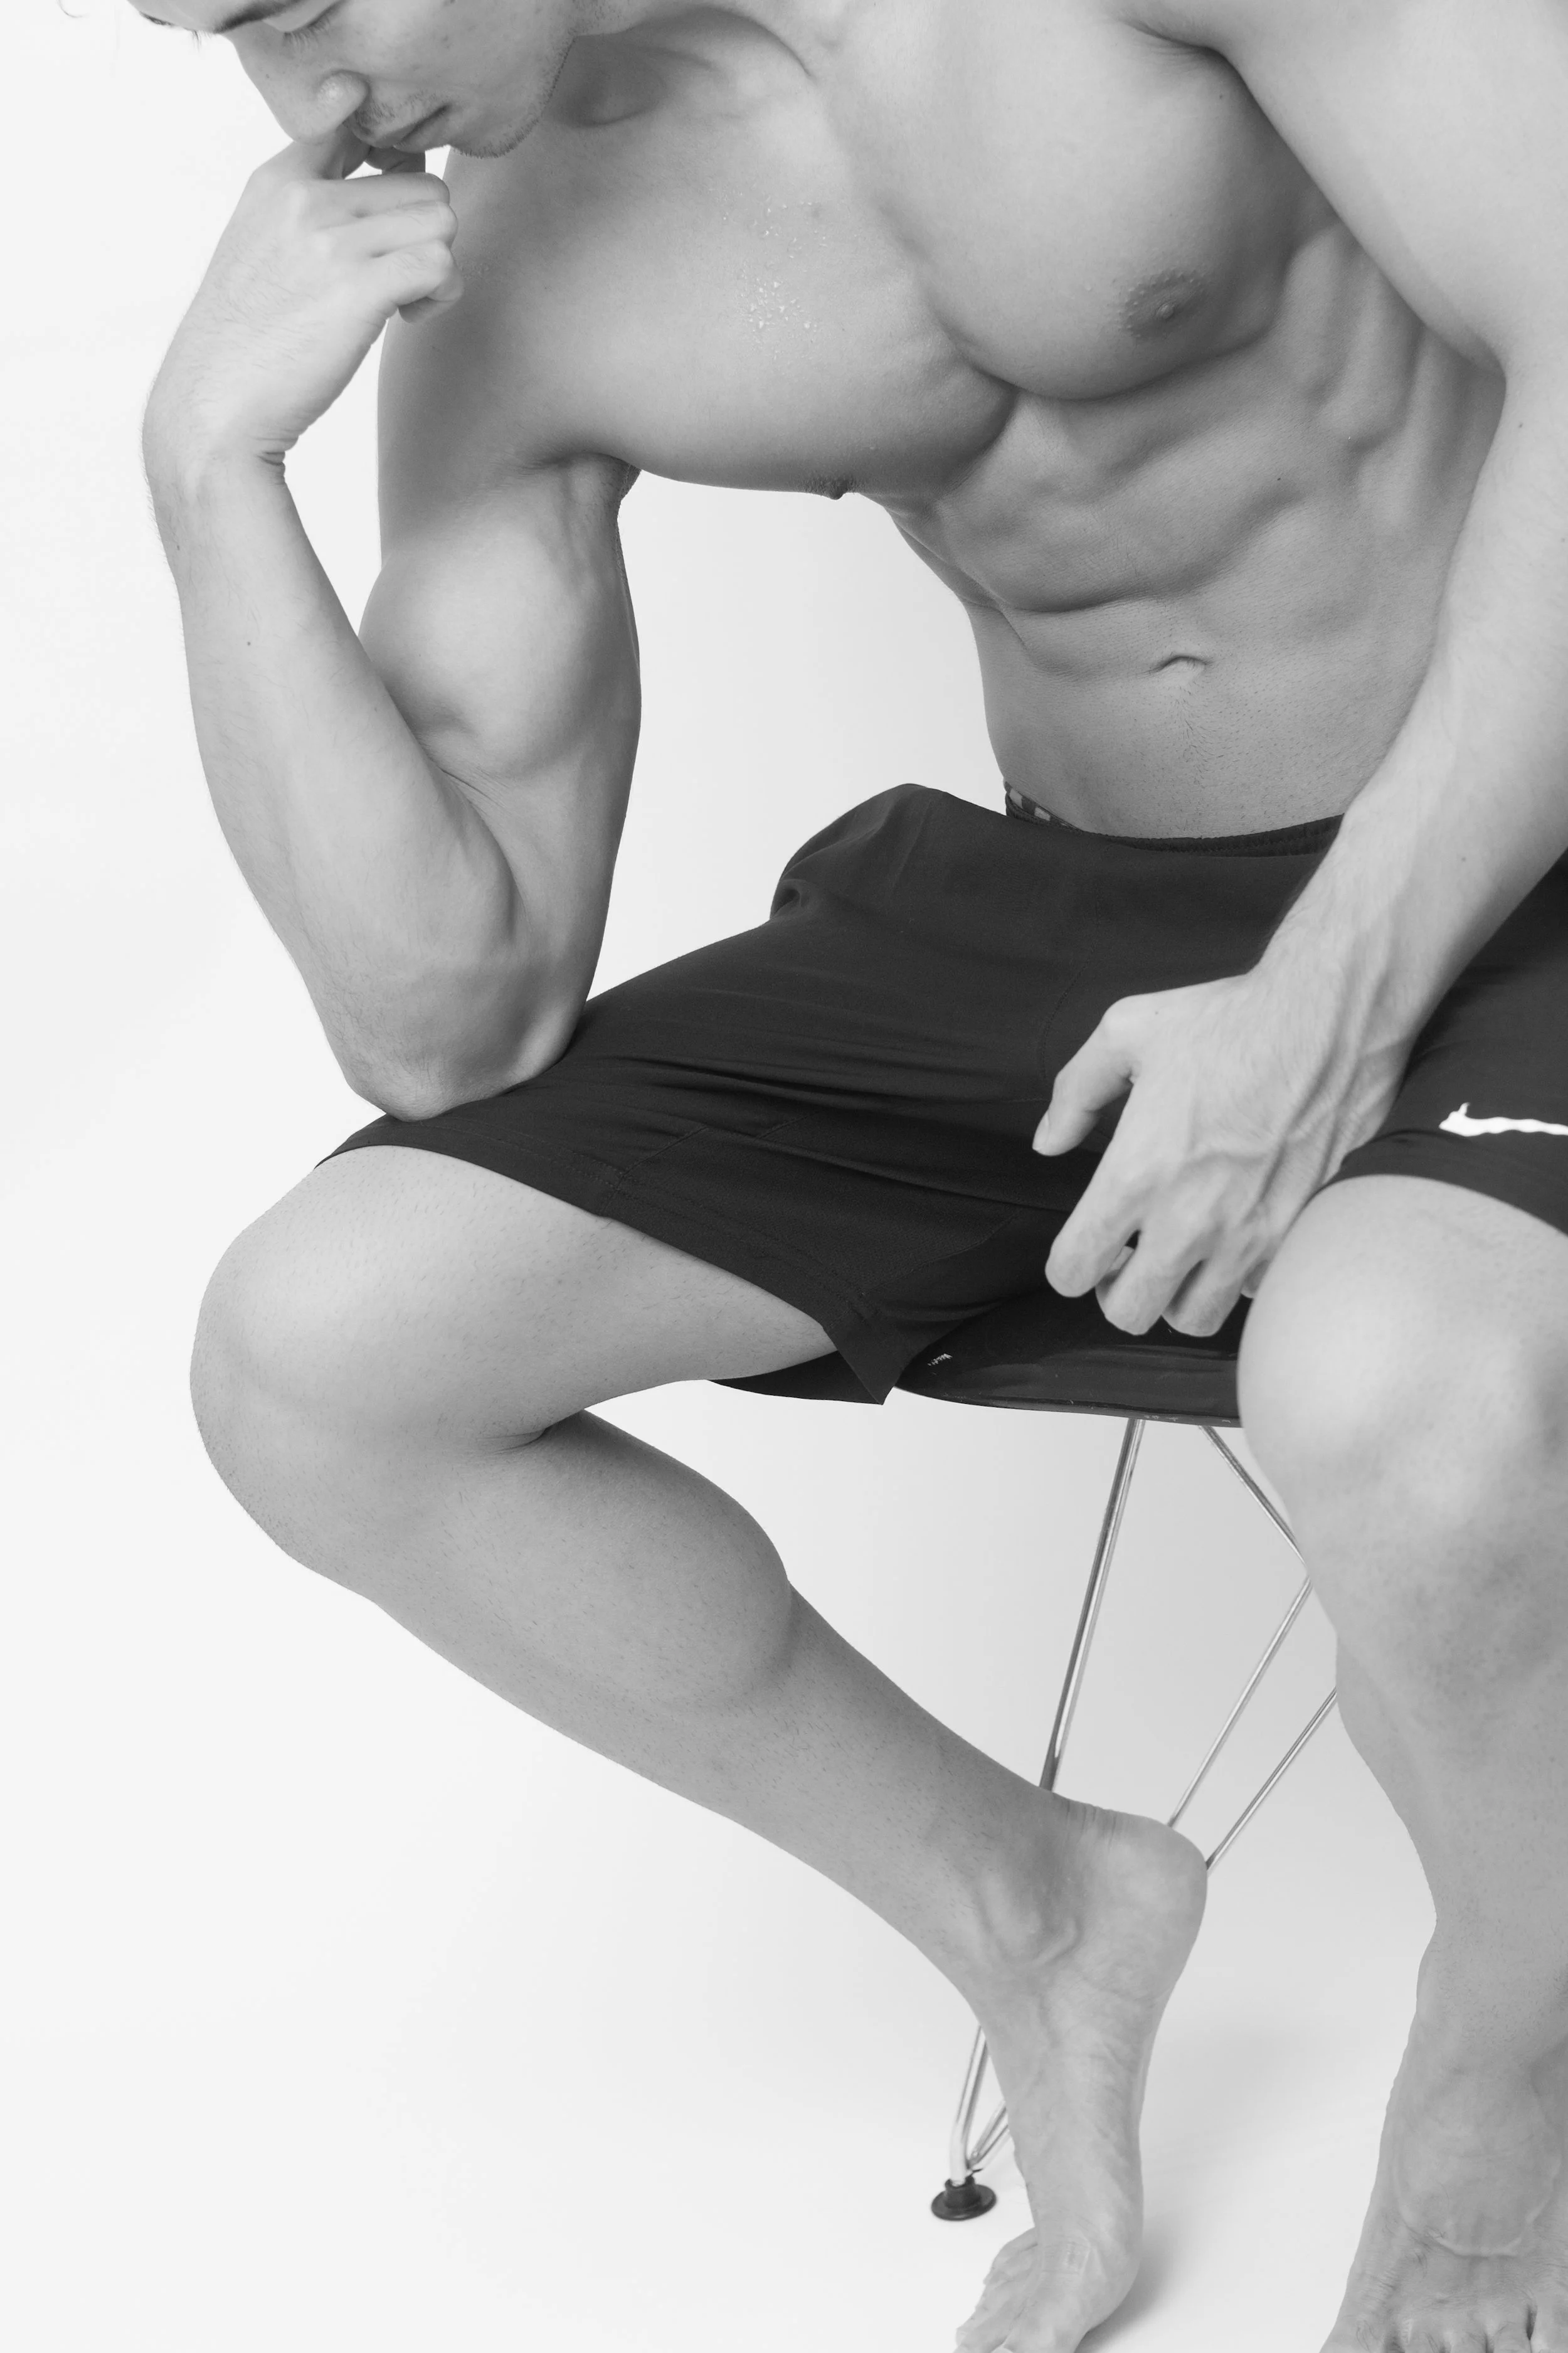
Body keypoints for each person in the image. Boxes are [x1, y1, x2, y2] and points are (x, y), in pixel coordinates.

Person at [137, 1, 1568, 2346]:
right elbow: (445, 1020)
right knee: (318, 1355)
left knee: (1394, 1390)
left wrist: (1320, 1004)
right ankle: (1036, 1909)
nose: (308, 113)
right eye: (219, 39)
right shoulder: (506, 265)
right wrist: (209, 471)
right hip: (1074, 910)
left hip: (1516, 841)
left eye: (300, 8)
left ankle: (1512, 2058)